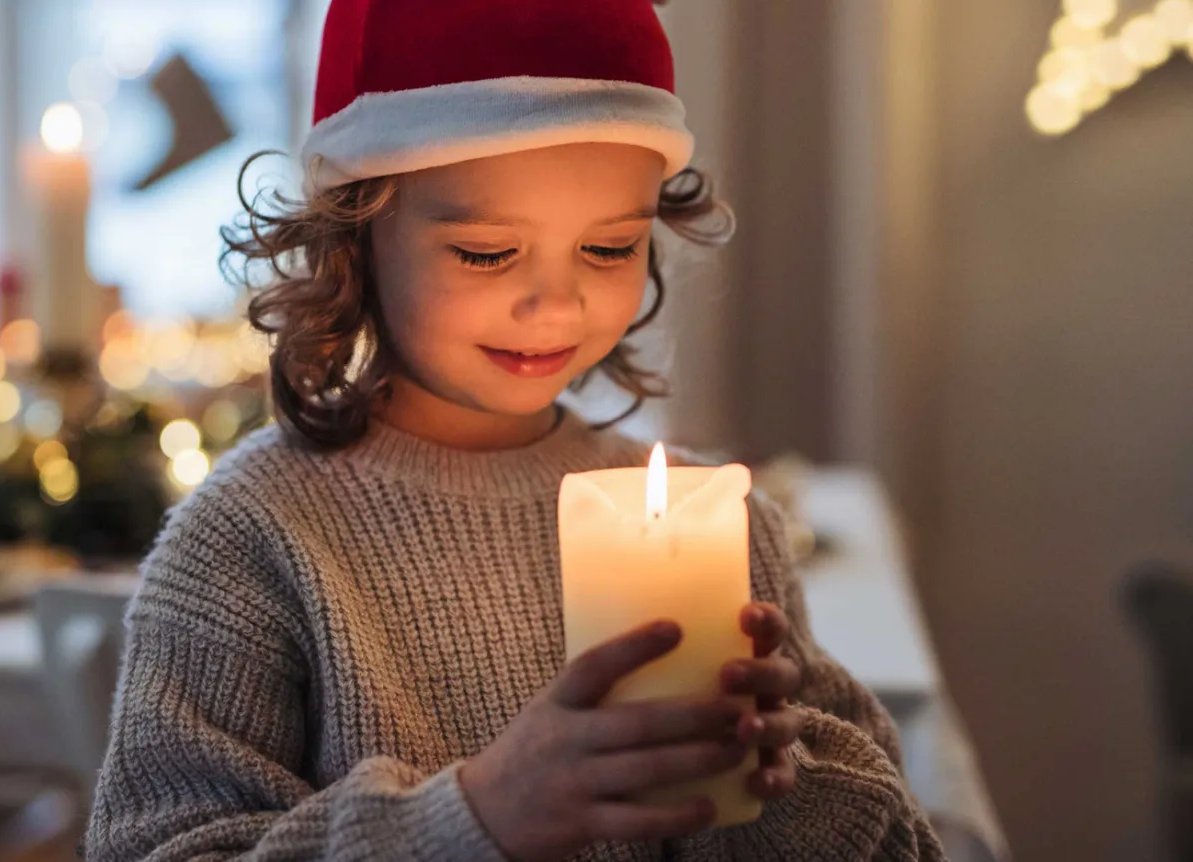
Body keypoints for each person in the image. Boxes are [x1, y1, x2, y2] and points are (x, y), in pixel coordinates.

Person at [86, 0, 946, 859]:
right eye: (488, 252)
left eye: (609, 249)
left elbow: (905, 837)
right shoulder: (250, 544)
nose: (555, 303)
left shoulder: (715, 527)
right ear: (352, 232)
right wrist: (477, 816)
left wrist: (777, 774)